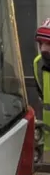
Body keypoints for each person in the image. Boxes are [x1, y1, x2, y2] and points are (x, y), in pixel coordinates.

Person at [35, 19, 50, 157]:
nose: (44, 49)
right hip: (47, 145)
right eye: (41, 43)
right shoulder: (38, 64)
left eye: (49, 44)